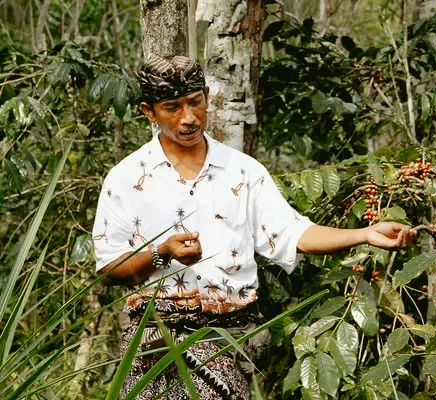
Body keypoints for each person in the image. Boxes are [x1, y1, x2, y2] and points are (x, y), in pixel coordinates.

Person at [93, 54, 416, 400]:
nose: (188, 118)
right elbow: (108, 270)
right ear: (149, 111)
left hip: (233, 341)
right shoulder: (126, 179)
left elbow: (293, 234)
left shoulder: (243, 172)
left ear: (206, 95)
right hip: (156, 342)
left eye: (195, 103)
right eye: (172, 107)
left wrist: (364, 234)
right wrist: (162, 253)